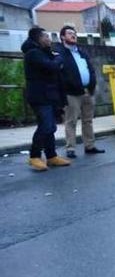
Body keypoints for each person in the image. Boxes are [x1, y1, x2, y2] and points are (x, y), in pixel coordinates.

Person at [21, 27, 70, 171]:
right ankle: (34, 156)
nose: (49, 39)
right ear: (38, 38)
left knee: (51, 127)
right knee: (46, 125)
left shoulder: (44, 53)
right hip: (39, 96)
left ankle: (51, 156)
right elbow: (52, 66)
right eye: (46, 37)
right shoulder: (33, 54)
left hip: (50, 95)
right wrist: (58, 58)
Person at [57, 25, 104, 158]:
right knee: (71, 121)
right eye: (70, 33)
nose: (73, 35)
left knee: (88, 120)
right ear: (62, 37)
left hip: (87, 91)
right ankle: (70, 148)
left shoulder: (82, 53)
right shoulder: (60, 54)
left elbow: (91, 69)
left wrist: (92, 84)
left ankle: (90, 145)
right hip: (72, 93)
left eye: (74, 33)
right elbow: (61, 75)